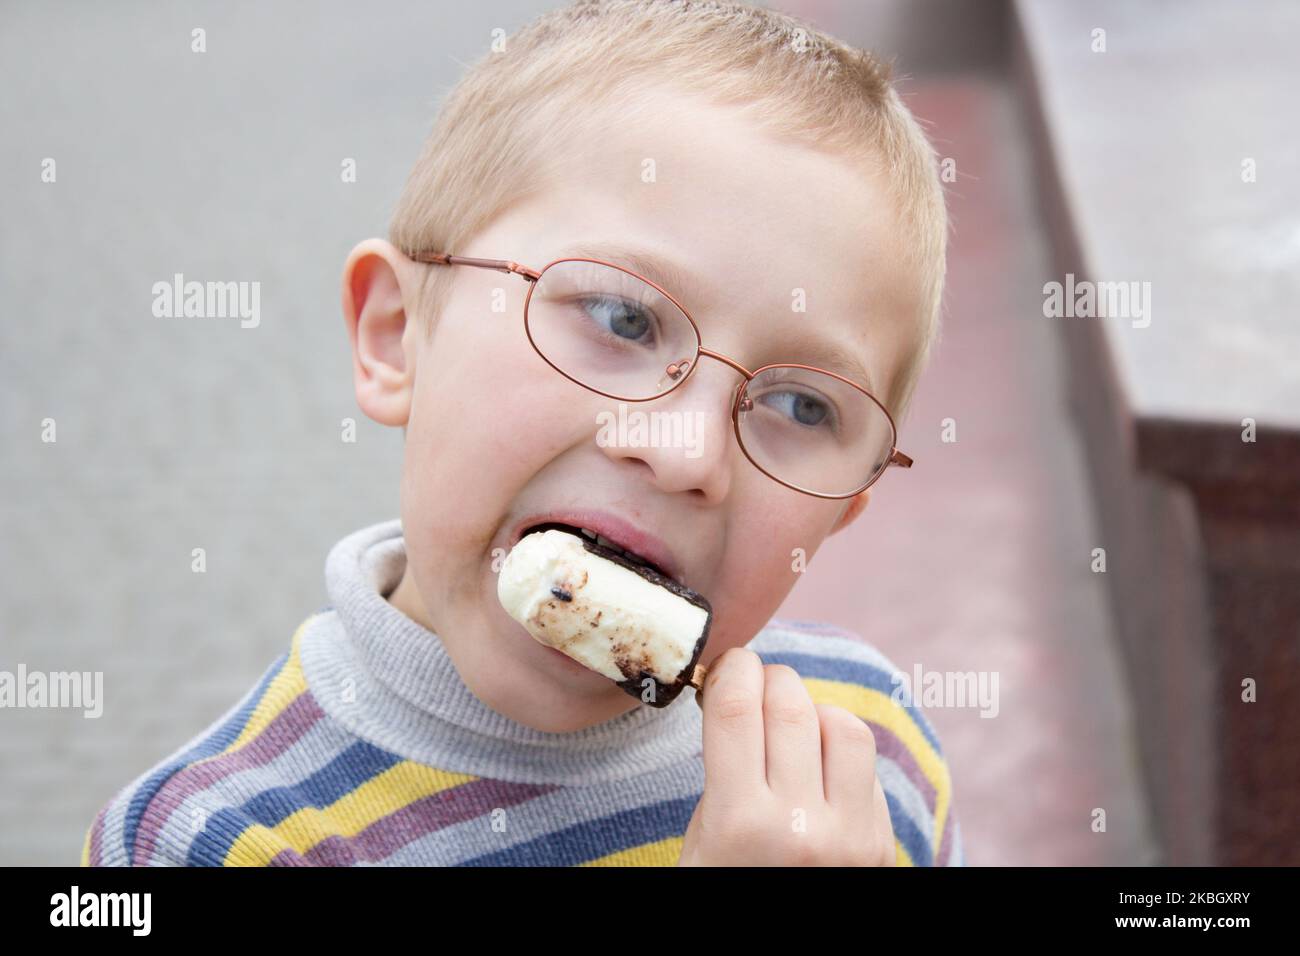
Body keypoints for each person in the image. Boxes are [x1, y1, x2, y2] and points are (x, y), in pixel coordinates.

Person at [83, 0, 961, 867]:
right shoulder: (205, 842)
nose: (686, 452)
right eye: (622, 318)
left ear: (844, 509)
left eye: (804, 407)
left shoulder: (867, 751)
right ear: (396, 336)